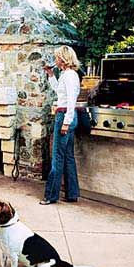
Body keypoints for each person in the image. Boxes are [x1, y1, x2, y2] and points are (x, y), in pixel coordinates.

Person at [40, 45, 81, 205]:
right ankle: (72, 194)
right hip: (66, 115)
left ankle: (50, 196)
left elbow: (71, 101)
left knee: (57, 157)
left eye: (57, 57)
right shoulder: (67, 75)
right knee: (68, 157)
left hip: (65, 116)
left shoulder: (70, 75)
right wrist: (51, 75)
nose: (55, 60)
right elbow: (60, 91)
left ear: (63, 59)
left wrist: (66, 122)